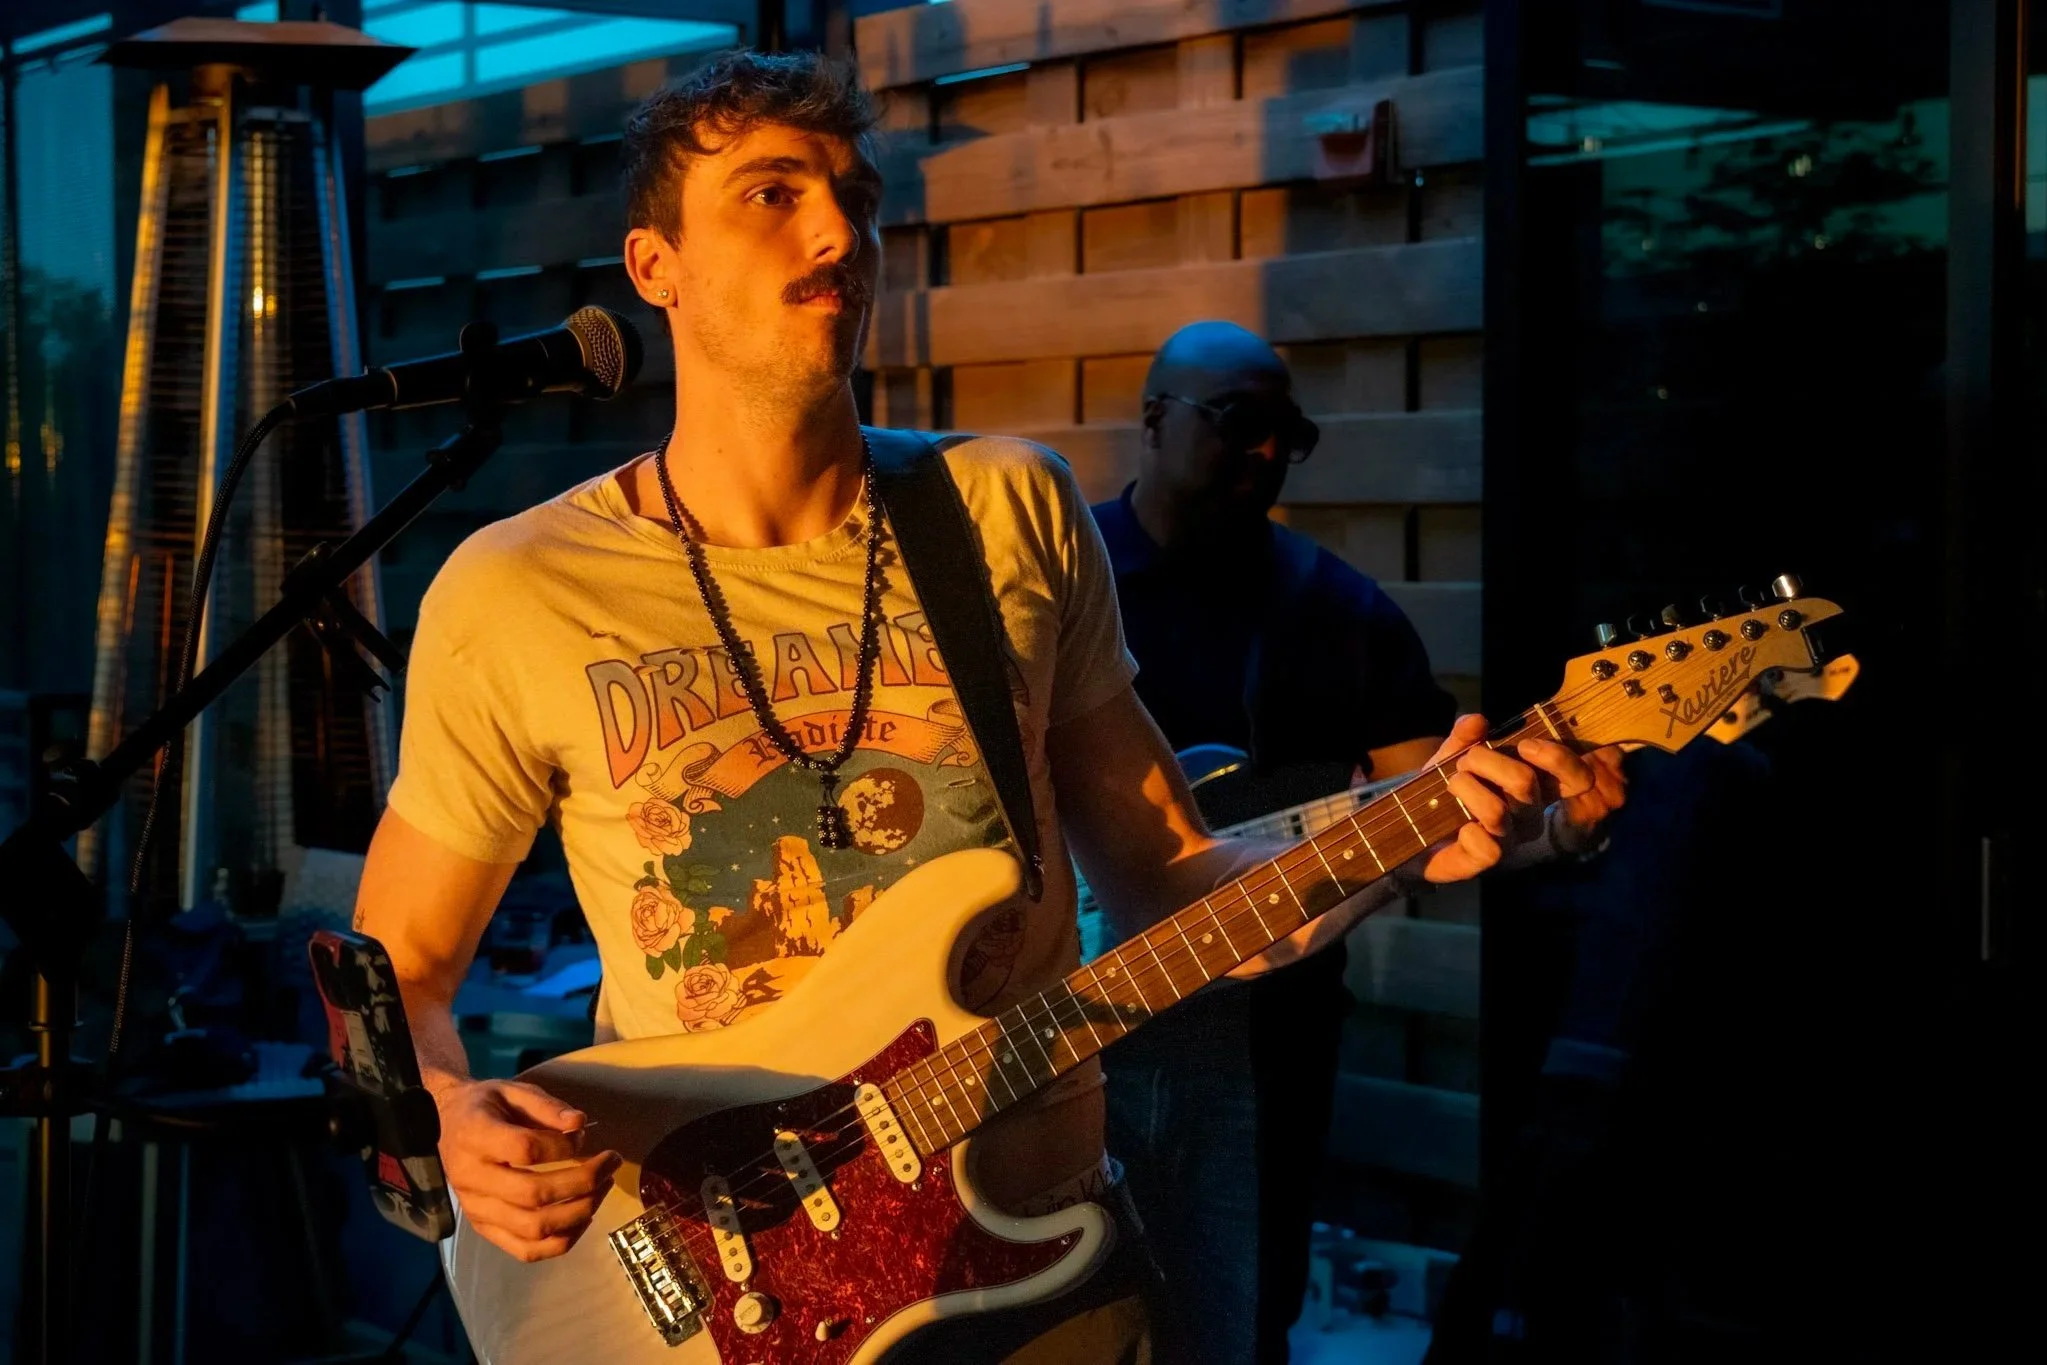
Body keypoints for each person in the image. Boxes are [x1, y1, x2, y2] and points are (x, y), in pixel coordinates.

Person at [351, 50, 1620, 1362]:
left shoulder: (1002, 510)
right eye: (773, 195)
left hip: (1037, 1271)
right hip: (718, 1284)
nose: (837, 233)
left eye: (855, 198)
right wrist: (443, 1113)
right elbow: (396, 975)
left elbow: (1171, 885)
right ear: (653, 263)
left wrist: (1403, 833)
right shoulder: (517, 589)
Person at [1091, 321, 1480, 1362]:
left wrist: (1547, 822)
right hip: (1071, 1031)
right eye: (1238, 422)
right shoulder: (1063, 582)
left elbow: (1432, 808)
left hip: (1270, 1037)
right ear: (1154, 419)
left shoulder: (1338, 611)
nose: (1266, 452)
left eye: (1287, 434)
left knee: (1240, 1322)